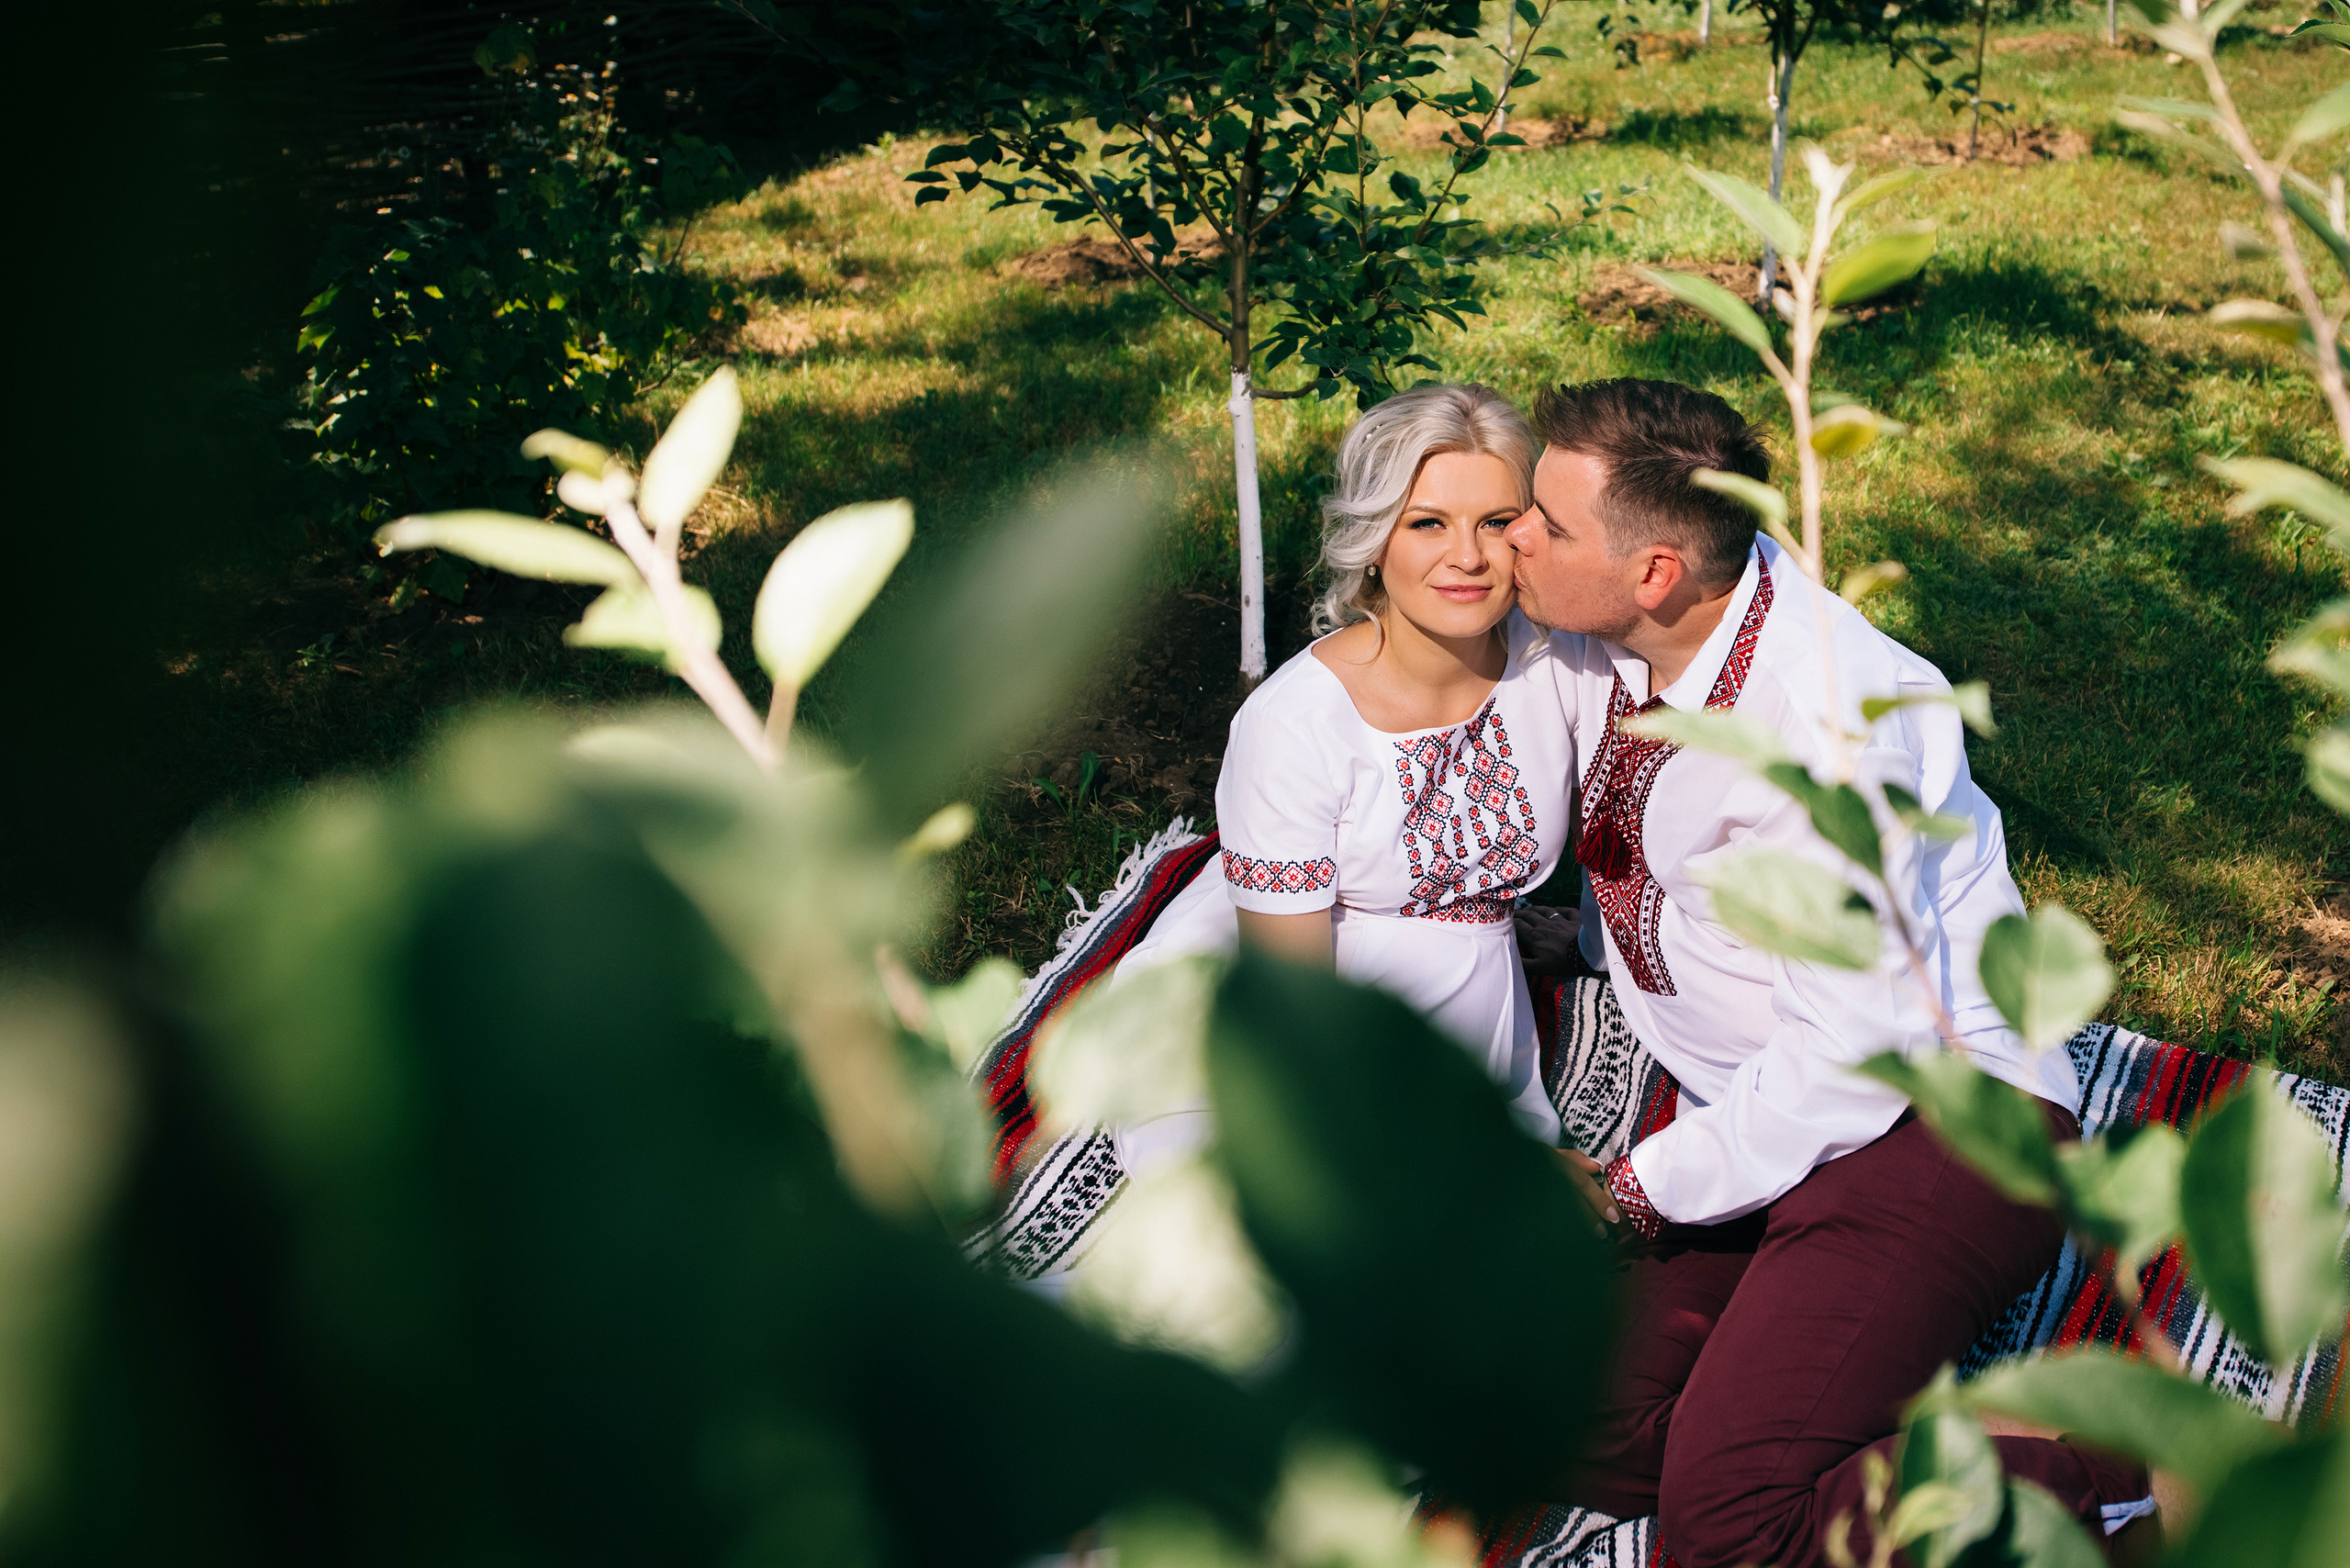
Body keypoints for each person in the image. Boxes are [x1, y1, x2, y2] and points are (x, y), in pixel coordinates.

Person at [1500, 378, 2151, 1567]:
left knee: (1732, 1529)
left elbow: (1850, 1061)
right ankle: (1871, 1412)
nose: (1515, 536)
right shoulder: (1628, 629)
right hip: (1765, 1115)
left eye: (1546, 522)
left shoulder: (1831, 733)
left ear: (1653, 572)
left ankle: (2120, 1484)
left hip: (1934, 1117)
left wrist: (1631, 1190)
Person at [1107, 383, 1574, 1181]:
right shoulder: (1293, 724)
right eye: (1427, 523)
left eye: (1496, 522)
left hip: (1470, 1026)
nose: (1468, 556)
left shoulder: (1556, 662)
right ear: (1373, 539)